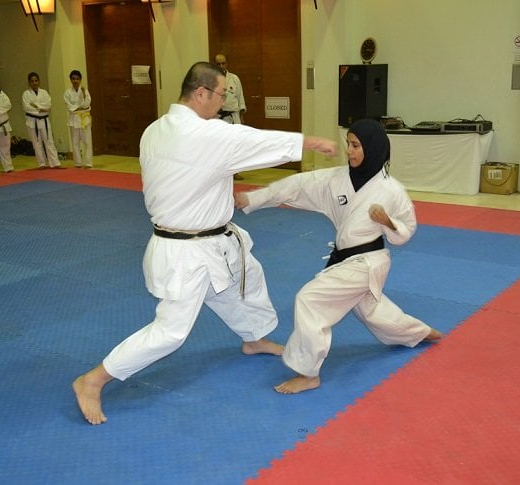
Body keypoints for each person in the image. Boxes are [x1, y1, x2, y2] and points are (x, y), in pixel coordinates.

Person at [73, 61, 337, 425]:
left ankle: (254, 338)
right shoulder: (207, 134)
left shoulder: (154, 130)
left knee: (245, 281)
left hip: (207, 241)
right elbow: (256, 140)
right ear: (201, 93)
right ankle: (93, 380)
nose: (224, 101)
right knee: (171, 332)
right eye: (222, 93)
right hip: (186, 252)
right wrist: (311, 143)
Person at [235, 119, 443, 394]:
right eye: (348, 143)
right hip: (346, 260)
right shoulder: (336, 179)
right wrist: (256, 199)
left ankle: (309, 373)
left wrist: (388, 222)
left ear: (373, 148)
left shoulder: (392, 190)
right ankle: (420, 332)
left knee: (310, 300)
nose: (349, 150)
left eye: (356, 146)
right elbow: (298, 185)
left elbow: (406, 231)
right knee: (373, 311)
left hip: (369, 261)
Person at [214, 53, 247, 180]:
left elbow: (240, 98)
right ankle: (221, 173)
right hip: (218, 117)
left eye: (223, 63)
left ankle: (235, 172)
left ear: (227, 63)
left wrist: (242, 116)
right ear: (214, 65)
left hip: (233, 116)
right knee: (220, 146)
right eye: (218, 63)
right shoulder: (211, 79)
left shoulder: (234, 79)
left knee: (236, 146)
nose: (221, 66)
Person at [22, 72, 61, 169]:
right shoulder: (26, 94)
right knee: (36, 143)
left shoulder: (44, 93)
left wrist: (36, 106)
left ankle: (55, 163)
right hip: (32, 121)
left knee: (49, 141)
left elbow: (48, 105)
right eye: (32, 81)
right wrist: (41, 108)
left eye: (36, 80)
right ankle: (42, 163)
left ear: (39, 81)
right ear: (29, 83)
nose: (34, 83)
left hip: (44, 120)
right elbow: (27, 107)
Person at [64, 70, 93, 168]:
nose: (75, 81)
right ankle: (78, 163)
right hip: (73, 120)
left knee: (87, 142)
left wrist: (84, 95)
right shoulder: (67, 92)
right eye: (73, 79)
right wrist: (80, 107)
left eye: (77, 79)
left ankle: (88, 162)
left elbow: (87, 104)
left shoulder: (85, 90)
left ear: (80, 80)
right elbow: (69, 107)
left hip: (84, 120)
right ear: (70, 80)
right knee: (75, 142)